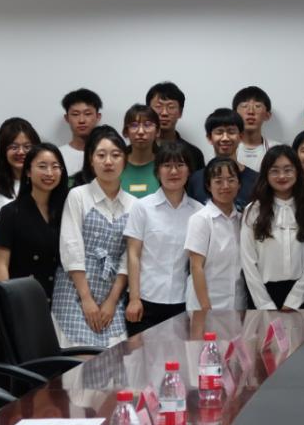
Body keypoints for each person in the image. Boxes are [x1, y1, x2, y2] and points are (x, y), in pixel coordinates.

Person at [52, 126, 134, 347]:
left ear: (125, 160)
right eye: (101, 155)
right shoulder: (78, 196)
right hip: (74, 290)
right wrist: (86, 299)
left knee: (115, 356)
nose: (108, 161)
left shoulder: (134, 205)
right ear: (91, 160)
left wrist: (112, 300)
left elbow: (129, 257)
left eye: (115, 155)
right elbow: (71, 247)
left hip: (112, 292)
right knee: (77, 357)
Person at [124, 141, 204, 336]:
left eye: (180, 165)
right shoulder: (142, 207)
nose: (173, 171)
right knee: (142, 355)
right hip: (145, 300)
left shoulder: (199, 212)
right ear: (157, 171)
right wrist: (134, 299)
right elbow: (133, 254)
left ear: (189, 171)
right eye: (167, 165)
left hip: (183, 301)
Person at [240, 145, 304, 310]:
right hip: (263, 294)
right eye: (274, 171)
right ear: (266, 174)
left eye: (288, 170)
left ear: (297, 172)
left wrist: (295, 298)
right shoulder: (253, 210)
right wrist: (264, 303)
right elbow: (247, 261)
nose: (282, 176)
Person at [0, 143, 69, 302]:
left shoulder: (67, 211)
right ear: (28, 171)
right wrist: (7, 302)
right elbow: (1, 264)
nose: (49, 173)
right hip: (23, 298)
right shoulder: (10, 212)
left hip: (61, 298)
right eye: (42, 166)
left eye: (55, 167)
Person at [185, 156, 246, 311]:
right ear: (208, 185)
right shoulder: (201, 219)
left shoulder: (243, 219)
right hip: (207, 304)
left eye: (231, 180)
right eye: (218, 181)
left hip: (237, 303)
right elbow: (196, 267)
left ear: (239, 184)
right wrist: (206, 308)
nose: (225, 186)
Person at [0, 117, 40, 242]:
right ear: (3, 151)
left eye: (27, 147)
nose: (21, 152)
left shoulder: (45, 183)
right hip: (2, 253)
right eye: (14, 147)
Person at [187, 108, 259, 209]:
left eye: (231, 132)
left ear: (241, 136)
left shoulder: (256, 180)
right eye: (219, 132)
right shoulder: (196, 179)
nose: (225, 138)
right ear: (209, 138)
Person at [146, 81, 206, 170]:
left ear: (180, 112)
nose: (164, 113)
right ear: (148, 111)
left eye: (171, 107)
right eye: (158, 107)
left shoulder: (193, 153)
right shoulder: (137, 152)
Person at [58, 88, 102, 177]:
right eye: (75, 114)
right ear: (67, 118)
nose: (81, 120)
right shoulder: (57, 155)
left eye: (87, 114)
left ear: (98, 117)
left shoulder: (109, 155)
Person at [234, 86, 278, 171]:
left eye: (257, 106)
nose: (251, 111)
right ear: (234, 114)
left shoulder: (277, 150)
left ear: (267, 115)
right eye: (244, 106)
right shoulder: (226, 148)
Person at [120, 104, 160, 199]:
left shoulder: (164, 165)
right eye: (134, 125)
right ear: (126, 132)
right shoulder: (116, 164)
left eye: (147, 125)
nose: (141, 131)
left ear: (158, 132)